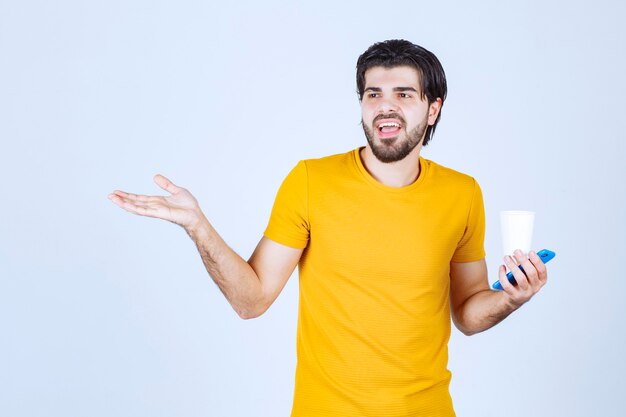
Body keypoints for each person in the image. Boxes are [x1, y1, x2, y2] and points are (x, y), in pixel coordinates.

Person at [108, 39, 548, 416]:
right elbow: (251, 300)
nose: (385, 105)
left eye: (403, 94)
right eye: (372, 93)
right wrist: (197, 226)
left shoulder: (463, 193)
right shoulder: (310, 182)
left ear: (432, 109)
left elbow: (468, 313)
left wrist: (511, 297)